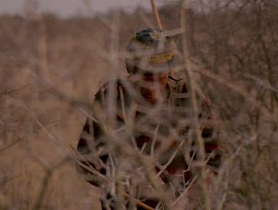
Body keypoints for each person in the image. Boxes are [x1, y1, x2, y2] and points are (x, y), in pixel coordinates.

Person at [76, 28, 221, 209]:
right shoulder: (112, 98)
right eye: (145, 75)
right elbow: (86, 161)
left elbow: (213, 159)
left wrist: (191, 195)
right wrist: (128, 184)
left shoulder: (188, 98)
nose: (152, 83)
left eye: (159, 74)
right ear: (132, 69)